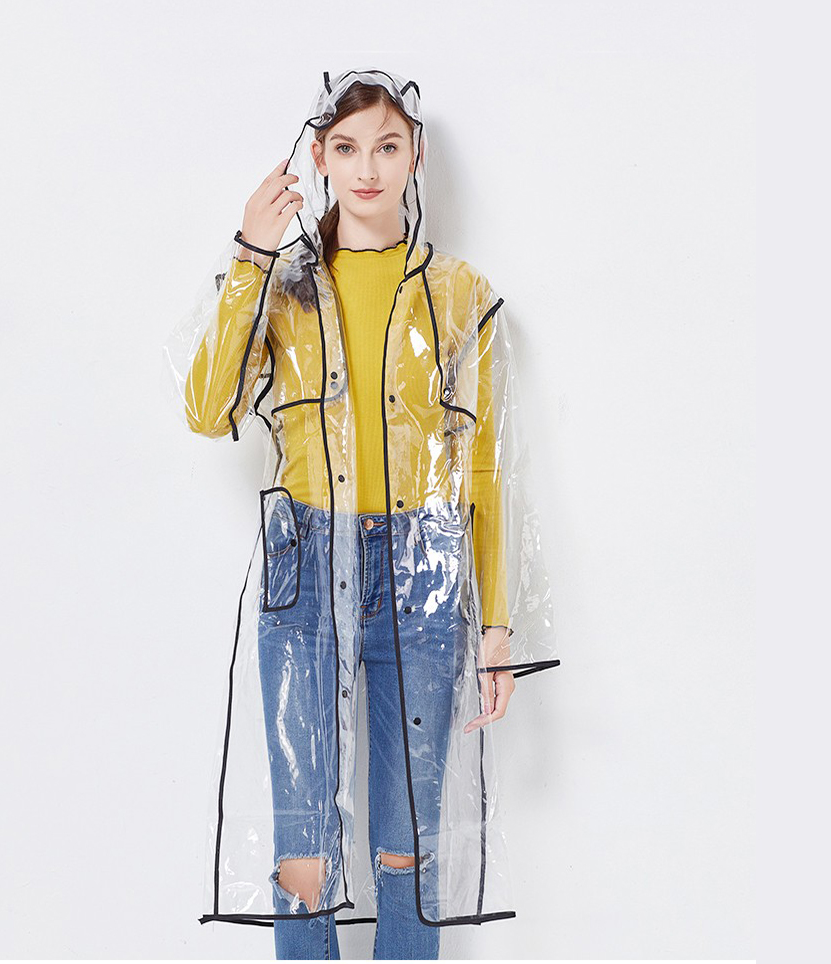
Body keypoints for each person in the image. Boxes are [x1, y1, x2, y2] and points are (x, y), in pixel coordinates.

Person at [163, 68, 559, 961]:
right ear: (319, 158)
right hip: (305, 572)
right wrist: (251, 254)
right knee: (303, 851)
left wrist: (496, 625)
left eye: (387, 146)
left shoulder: (458, 292)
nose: (368, 168)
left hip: (423, 577)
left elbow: (485, 466)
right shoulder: (285, 287)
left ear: (415, 155)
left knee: (407, 844)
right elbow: (208, 409)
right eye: (346, 148)